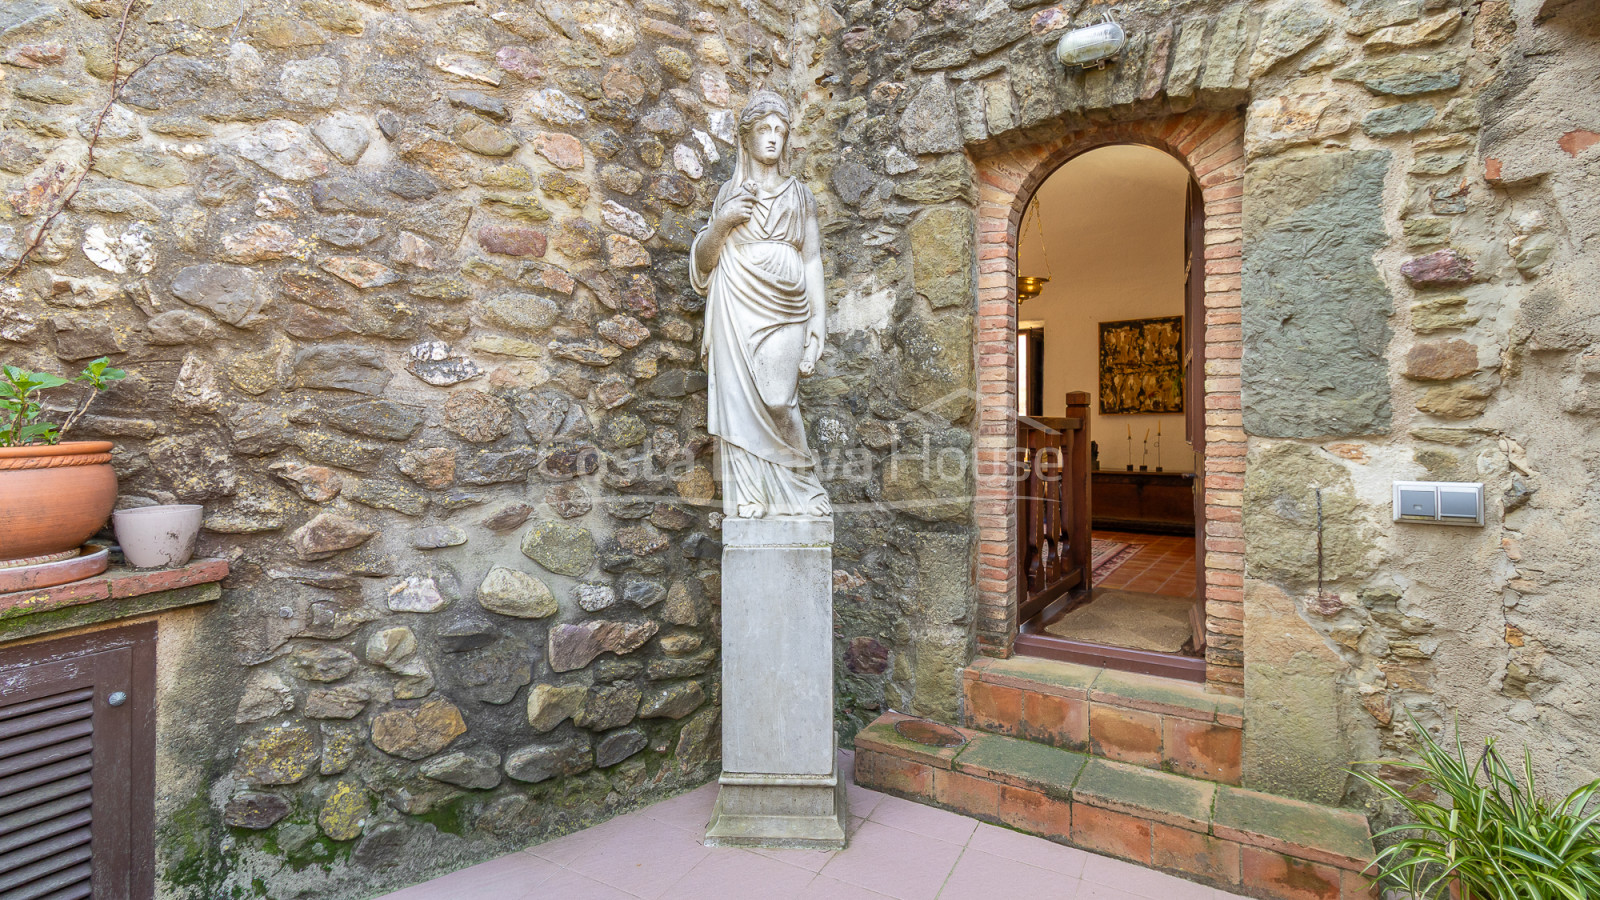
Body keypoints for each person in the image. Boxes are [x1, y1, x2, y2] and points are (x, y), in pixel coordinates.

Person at [690, 90, 831, 519]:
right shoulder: (728, 194)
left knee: (777, 400)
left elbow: (811, 259)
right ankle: (750, 493)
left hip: (787, 305)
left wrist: (819, 322)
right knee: (737, 398)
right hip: (736, 301)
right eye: (765, 130)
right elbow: (703, 262)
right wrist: (722, 222)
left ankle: (802, 485)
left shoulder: (800, 195)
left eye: (780, 131)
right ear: (746, 137)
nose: (773, 138)